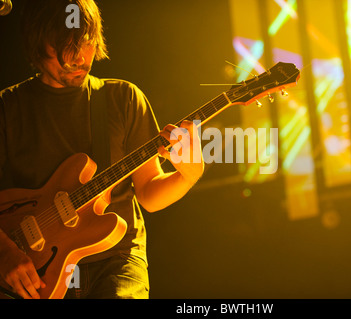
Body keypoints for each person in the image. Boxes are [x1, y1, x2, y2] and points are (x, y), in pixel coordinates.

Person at [0, 0, 204, 299]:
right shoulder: (8, 108)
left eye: (84, 43)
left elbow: (149, 193)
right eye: (62, 45)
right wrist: (5, 252)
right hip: (34, 268)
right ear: (36, 41)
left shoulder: (122, 98)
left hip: (115, 260)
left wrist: (188, 174)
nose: (77, 58)